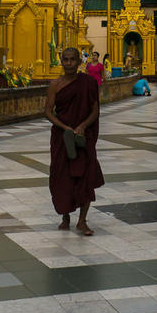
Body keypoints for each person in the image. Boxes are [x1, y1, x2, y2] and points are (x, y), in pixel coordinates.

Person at [45, 47, 104, 236]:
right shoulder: (55, 84)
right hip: (62, 137)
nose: (69, 63)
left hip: (82, 137)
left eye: (72, 60)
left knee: (85, 176)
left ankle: (82, 221)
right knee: (61, 177)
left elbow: (95, 109)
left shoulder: (87, 83)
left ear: (79, 62)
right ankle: (65, 217)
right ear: (61, 61)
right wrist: (64, 127)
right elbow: (47, 111)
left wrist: (83, 126)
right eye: (65, 59)